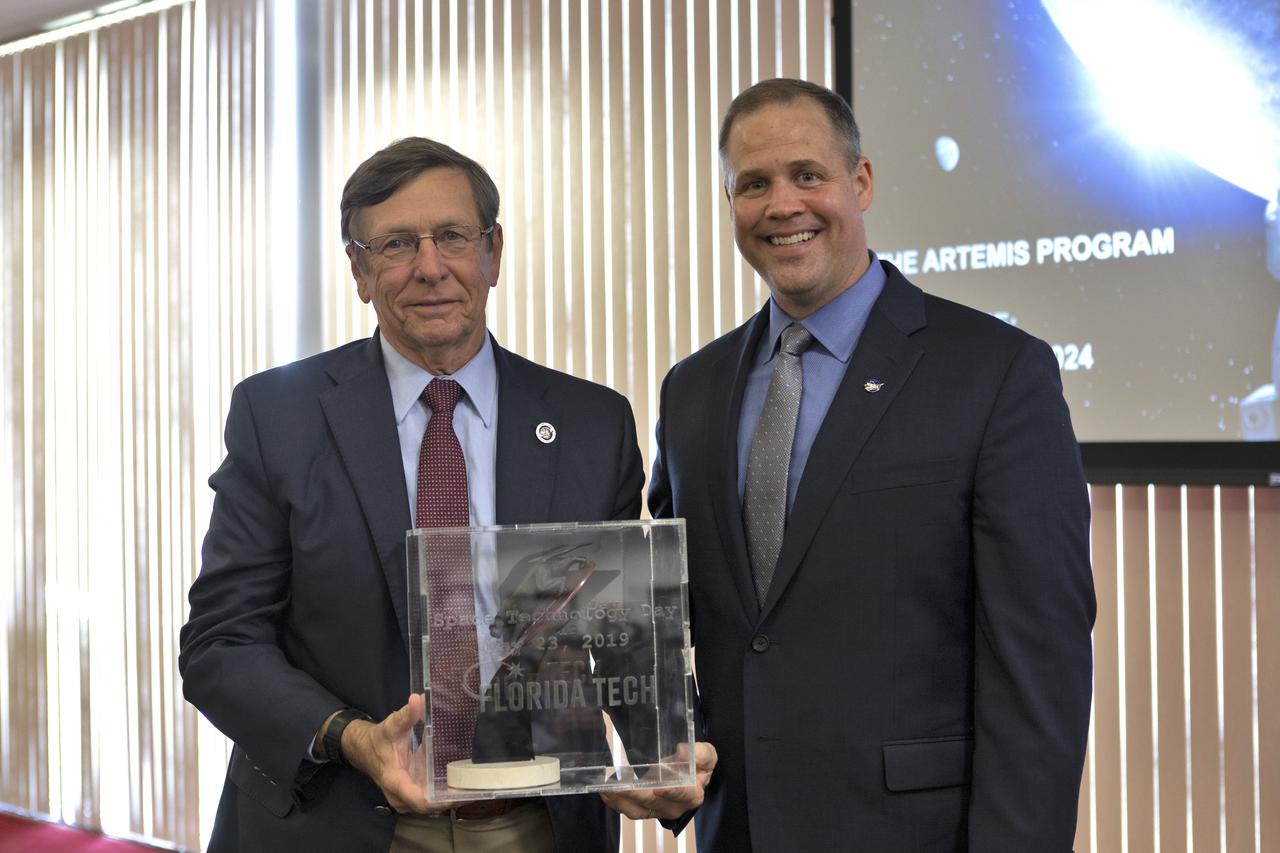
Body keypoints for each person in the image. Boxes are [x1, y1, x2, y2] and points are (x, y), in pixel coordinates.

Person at [179, 137, 669, 852]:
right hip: (335, 821)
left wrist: (659, 755)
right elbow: (222, 642)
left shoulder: (592, 423)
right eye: (397, 245)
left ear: (493, 252)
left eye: (452, 237)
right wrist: (351, 738)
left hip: (534, 826)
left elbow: (618, 636)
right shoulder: (278, 417)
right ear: (359, 270)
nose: (431, 267)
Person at [646, 78, 1096, 851]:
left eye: (807, 174)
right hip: (740, 831)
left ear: (860, 181)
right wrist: (644, 746)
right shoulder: (692, 389)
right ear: (730, 205)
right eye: (752, 184)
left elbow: (1041, 664)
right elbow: (672, 613)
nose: (782, 204)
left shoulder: (994, 373)